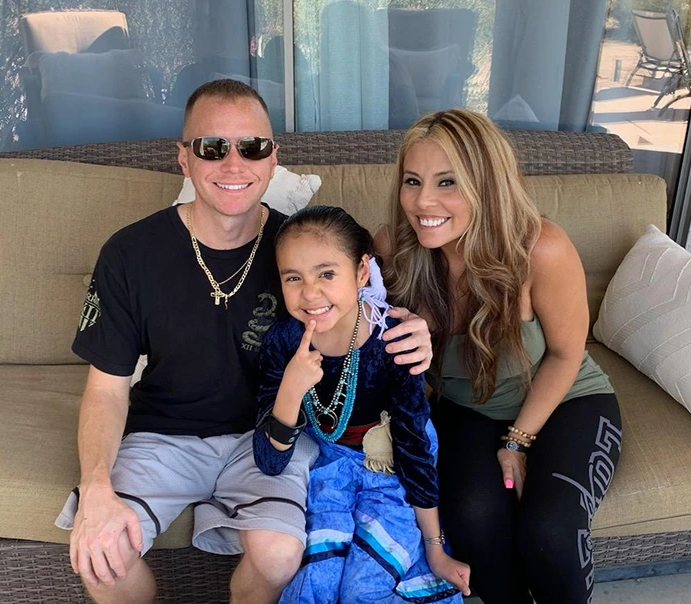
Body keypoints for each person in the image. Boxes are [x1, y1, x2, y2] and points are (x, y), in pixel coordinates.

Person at [54, 79, 435, 604]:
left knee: (279, 555)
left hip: (262, 438)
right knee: (103, 559)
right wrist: (95, 486)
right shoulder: (130, 252)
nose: (235, 165)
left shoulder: (295, 250)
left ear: (273, 158)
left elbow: (359, 306)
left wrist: (411, 327)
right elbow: (105, 389)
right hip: (160, 435)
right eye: (213, 148)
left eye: (252, 147)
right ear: (184, 159)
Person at [382, 109, 623, 603]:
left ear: (486, 184)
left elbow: (565, 354)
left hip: (565, 400)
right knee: (472, 519)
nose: (423, 201)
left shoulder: (541, 248)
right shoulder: (394, 250)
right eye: (413, 181)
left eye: (447, 182)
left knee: (550, 530)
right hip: (467, 410)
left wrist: (517, 441)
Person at [252, 205, 470, 604]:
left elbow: (413, 448)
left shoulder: (392, 341)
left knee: (363, 591)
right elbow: (270, 461)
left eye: (327, 274)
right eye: (293, 278)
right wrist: (291, 387)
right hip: (329, 468)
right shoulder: (284, 342)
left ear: (362, 272)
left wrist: (436, 548)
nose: (311, 293)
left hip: (390, 468)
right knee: (317, 584)